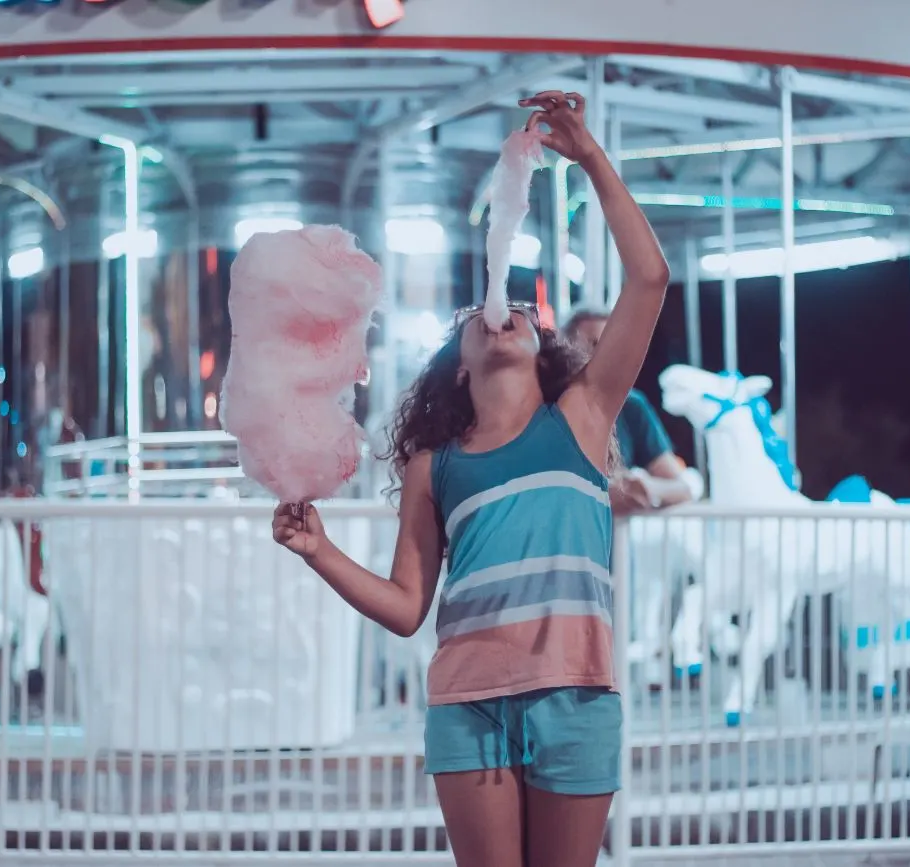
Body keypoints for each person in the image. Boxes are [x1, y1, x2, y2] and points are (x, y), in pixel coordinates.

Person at [273, 91, 669, 867]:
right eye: (485, 310)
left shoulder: (584, 416)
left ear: (539, 341)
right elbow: (406, 606)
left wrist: (588, 157)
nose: (507, 307)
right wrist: (318, 549)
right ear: (455, 364)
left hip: (577, 697)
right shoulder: (434, 465)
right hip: (468, 705)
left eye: (524, 307)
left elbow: (649, 279)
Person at [564, 308, 695, 515]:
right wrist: (601, 493)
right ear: (565, 350)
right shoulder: (545, 406)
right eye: (594, 345)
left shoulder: (631, 405)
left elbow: (682, 488)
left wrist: (643, 487)